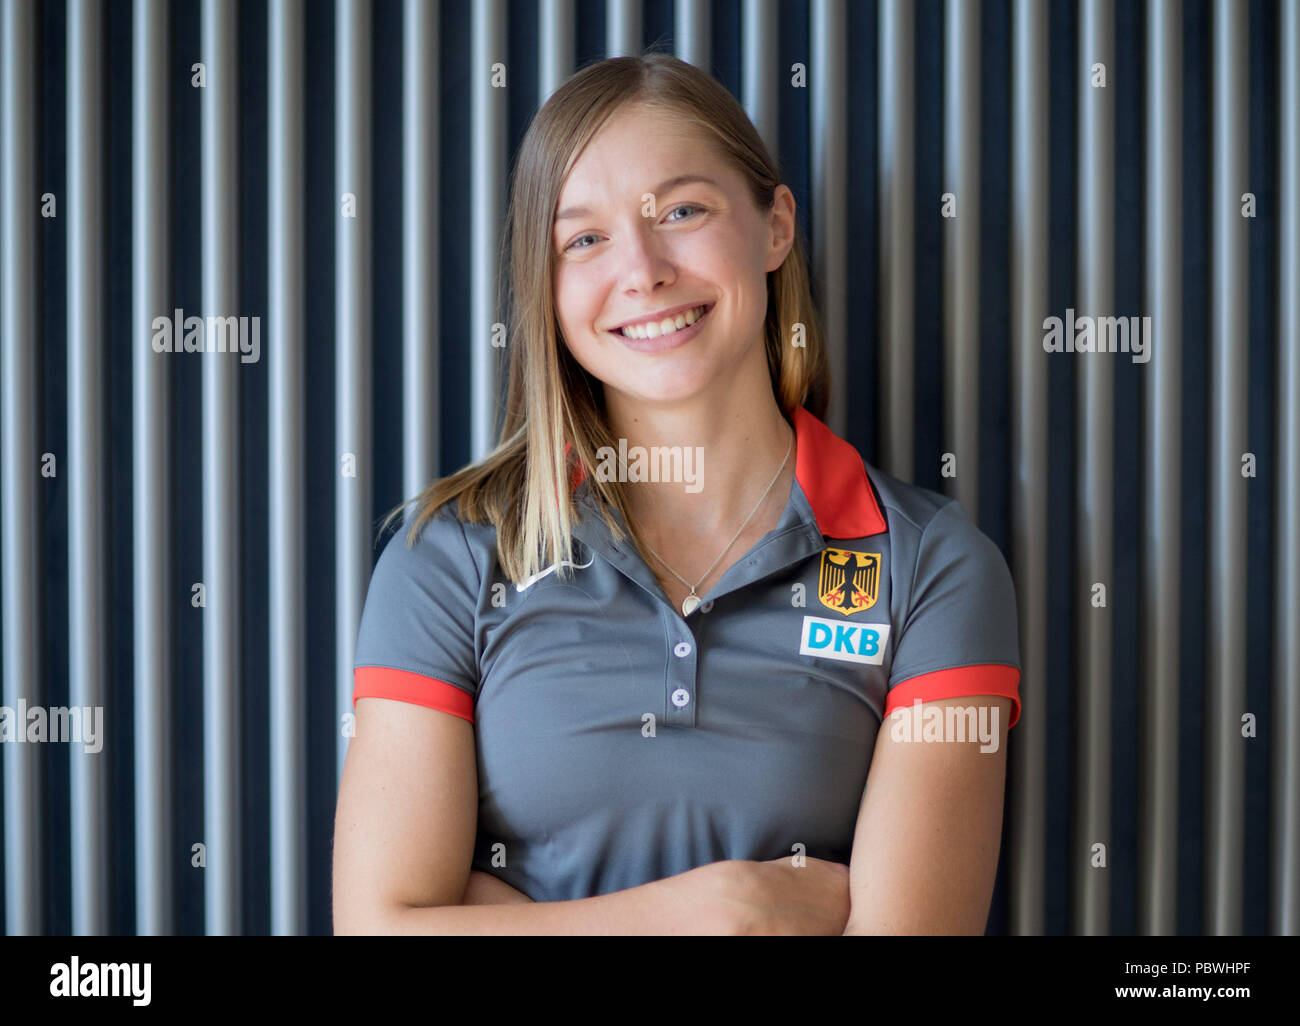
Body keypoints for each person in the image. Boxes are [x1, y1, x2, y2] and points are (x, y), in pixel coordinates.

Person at [332, 52, 1021, 936]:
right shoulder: (453, 556)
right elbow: (379, 929)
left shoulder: (932, 568)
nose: (643, 270)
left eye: (683, 211)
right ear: (545, 286)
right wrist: (712, 914)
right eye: (583, 238)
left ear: (774, 228)